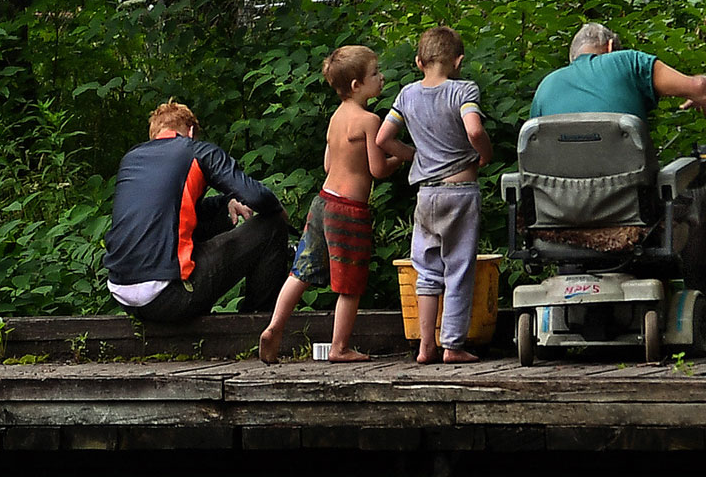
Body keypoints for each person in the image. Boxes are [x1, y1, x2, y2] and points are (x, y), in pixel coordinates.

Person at [528, 21, 706, 308]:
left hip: (561, 220)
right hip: (635, 218)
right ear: (610, 48)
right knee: (695, 192)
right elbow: (700, 87)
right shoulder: (628, 63)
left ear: (572, 58)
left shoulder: (547, 86)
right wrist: (701, 92)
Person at [258, 46, 406, 365]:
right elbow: (378, 169)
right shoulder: (369, 120)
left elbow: (328, 165)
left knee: (301, 271)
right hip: (349, 211)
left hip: (322, 203)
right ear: (357, 85)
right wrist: (405, 157)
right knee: (350, 284)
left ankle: (274, 327)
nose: (382, 78)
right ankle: (339, 347)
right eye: (375, 74)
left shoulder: (336, 117)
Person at [104, 99, 294, 323]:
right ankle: (256, 324)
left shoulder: (131, 159)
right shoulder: (195, 150)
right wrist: (278, 209)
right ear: (192, 131)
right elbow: (257, 197)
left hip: (123, 295)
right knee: (271, 227)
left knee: (204, 228)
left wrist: (226, 205)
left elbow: (170, 218)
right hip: (166, 294)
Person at [375, 26, 492, 364]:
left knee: (426, 270)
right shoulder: (463, 90)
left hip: (426, 195)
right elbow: (473, 128)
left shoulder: (407, 95)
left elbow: (383, 139)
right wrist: (484, 153)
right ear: (458, 61)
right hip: (460, 192)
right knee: (458, 268)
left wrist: (416, 155)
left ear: (418, 61)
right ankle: (452, 345)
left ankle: (425, 345)